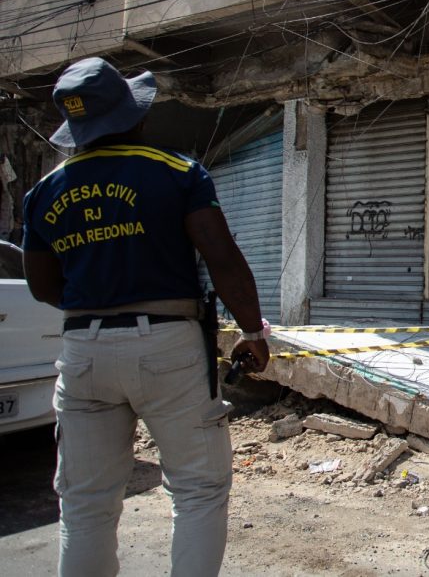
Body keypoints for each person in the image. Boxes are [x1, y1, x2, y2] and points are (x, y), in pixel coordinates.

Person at [22, 57, 271, 577]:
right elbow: (223, 259)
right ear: (134, 117)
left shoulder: (43, 194)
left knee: (87, 504)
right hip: (168, 349)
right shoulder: (176, 172)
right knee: (199, 490)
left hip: (83, 353)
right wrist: (251, 331)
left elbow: (43, 286)